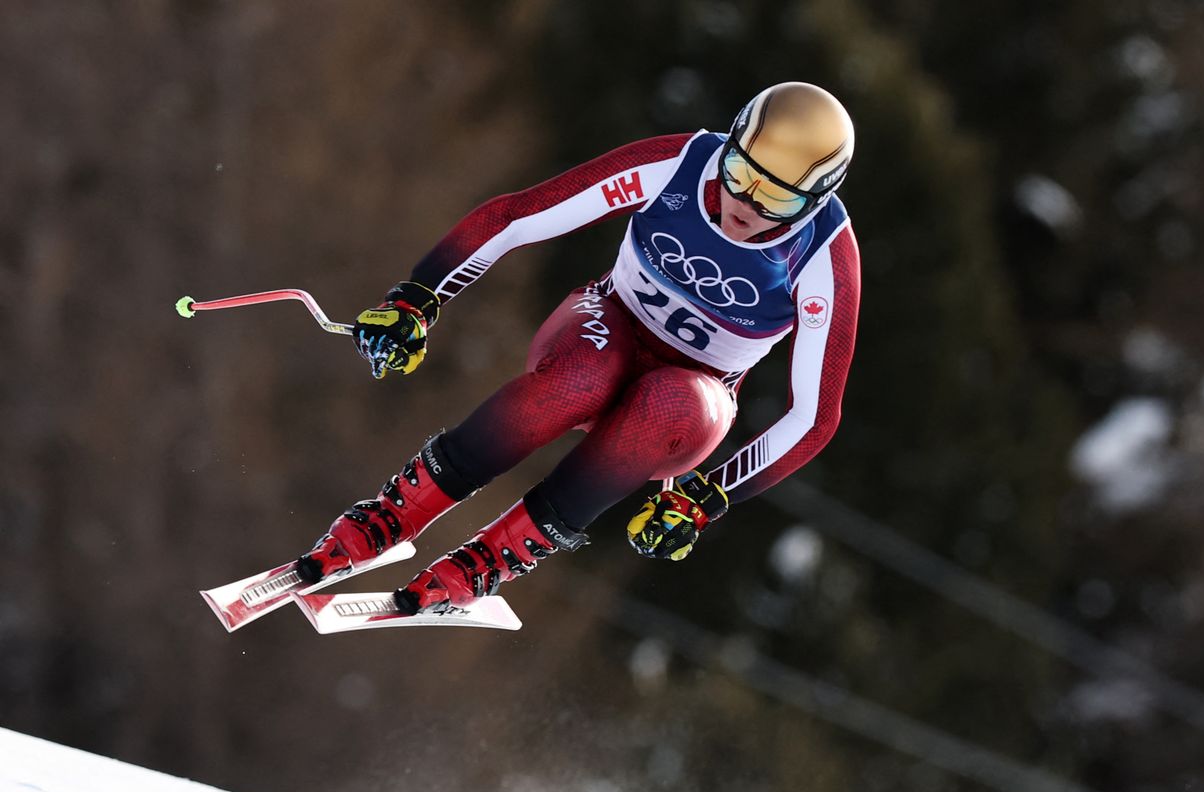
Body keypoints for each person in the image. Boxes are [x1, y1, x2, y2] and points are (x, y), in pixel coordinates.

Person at [295, 81, 861, 616]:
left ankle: (494, 557)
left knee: (673, 402)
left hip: (691, 397)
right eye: (739, 171)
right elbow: (520, 216)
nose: (744, 203)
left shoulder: (823, 261)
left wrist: (708, 497)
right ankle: (395, 513)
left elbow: (814, 416)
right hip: (605, 324)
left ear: (815, 203)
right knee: (583, 377)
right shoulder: (679, 165)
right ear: (729, 146)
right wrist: (418, 297)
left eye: (778, 201)